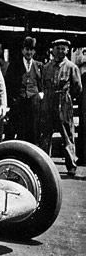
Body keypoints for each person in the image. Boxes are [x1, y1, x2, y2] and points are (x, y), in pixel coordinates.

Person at [40, 39, 82, 176]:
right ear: (52, 50)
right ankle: (45, 165)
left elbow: (77, 87)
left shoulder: (72, 67)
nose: (60, 51)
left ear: (68, 51)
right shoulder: (46, 67)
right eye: (58, 48)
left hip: (64, 103)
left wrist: (68, 98)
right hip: (48, 102)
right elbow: (42, 85)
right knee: (45, 135)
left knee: (67, 135)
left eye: (63, 49)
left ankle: (71, 165)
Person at [4, 36, 43, 144]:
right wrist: (13, 99)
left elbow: (42, 84)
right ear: (22, 50)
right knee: (16, 129)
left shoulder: (39, 65)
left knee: (33, 131)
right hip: (19, 102)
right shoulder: (14, 65)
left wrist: (40, 94)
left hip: (33, 103)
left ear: (34, 52)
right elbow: (8, 83)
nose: (29, 52)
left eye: (31, 50)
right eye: (27, 49)